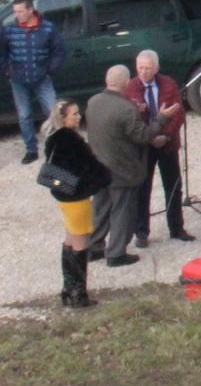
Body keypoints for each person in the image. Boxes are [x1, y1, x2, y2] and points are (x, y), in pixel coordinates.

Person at [86, 66, 161, 268]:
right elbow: (143, 135)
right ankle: (116, 253)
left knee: (100, 209)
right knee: (122, 212)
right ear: (126, 83)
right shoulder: (126, 109)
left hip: (98, 167)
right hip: (122, 171)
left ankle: (94, 247)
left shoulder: (93, 102)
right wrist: (161, 119)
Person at [42, 101, 110, 308]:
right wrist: (103, 176)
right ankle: (79, 294)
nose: (78, 117)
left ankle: (68, 289)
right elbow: (88, 166)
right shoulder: (71, 140)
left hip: (63, 196)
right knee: (81, 242)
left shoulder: (53, 138)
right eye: (74, 114)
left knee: (69, 239)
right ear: (63, 118)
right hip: (77, 197)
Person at [122, 49, 190, 246]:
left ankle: (176, 228)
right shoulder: (130, 88)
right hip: (144, 146)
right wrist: (149, 137)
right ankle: (141, 232)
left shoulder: (168, 84)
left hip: (167, 144)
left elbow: (178, 114)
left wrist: (166, 135)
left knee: (173, 186)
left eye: (147, 68)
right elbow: (130, 119)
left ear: (156, 68)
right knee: (143, 189)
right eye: (140, 68)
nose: (143, 72)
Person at [4, 0, 66, 163]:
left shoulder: (48, 28)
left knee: (54, 112)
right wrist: (7, 70)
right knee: (24, 115)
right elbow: (2, 52)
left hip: (42, 78)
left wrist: (49, 70)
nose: (17, 15)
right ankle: (31, 149)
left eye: (20, 11)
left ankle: (59, 146)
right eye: (15, 11)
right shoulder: (9, 29)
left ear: (31, 10)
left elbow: (59, 51)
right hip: (18, 80)